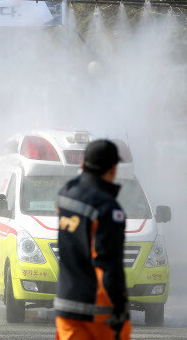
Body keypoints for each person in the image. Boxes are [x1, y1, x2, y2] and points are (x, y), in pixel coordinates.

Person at [54, 139, 131, 340]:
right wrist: (120, 307)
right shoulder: (108, 209)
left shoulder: (65, 195)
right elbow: (108, 264)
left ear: (82, 164)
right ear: (113, 169)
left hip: (66, 306)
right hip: (98, 313)